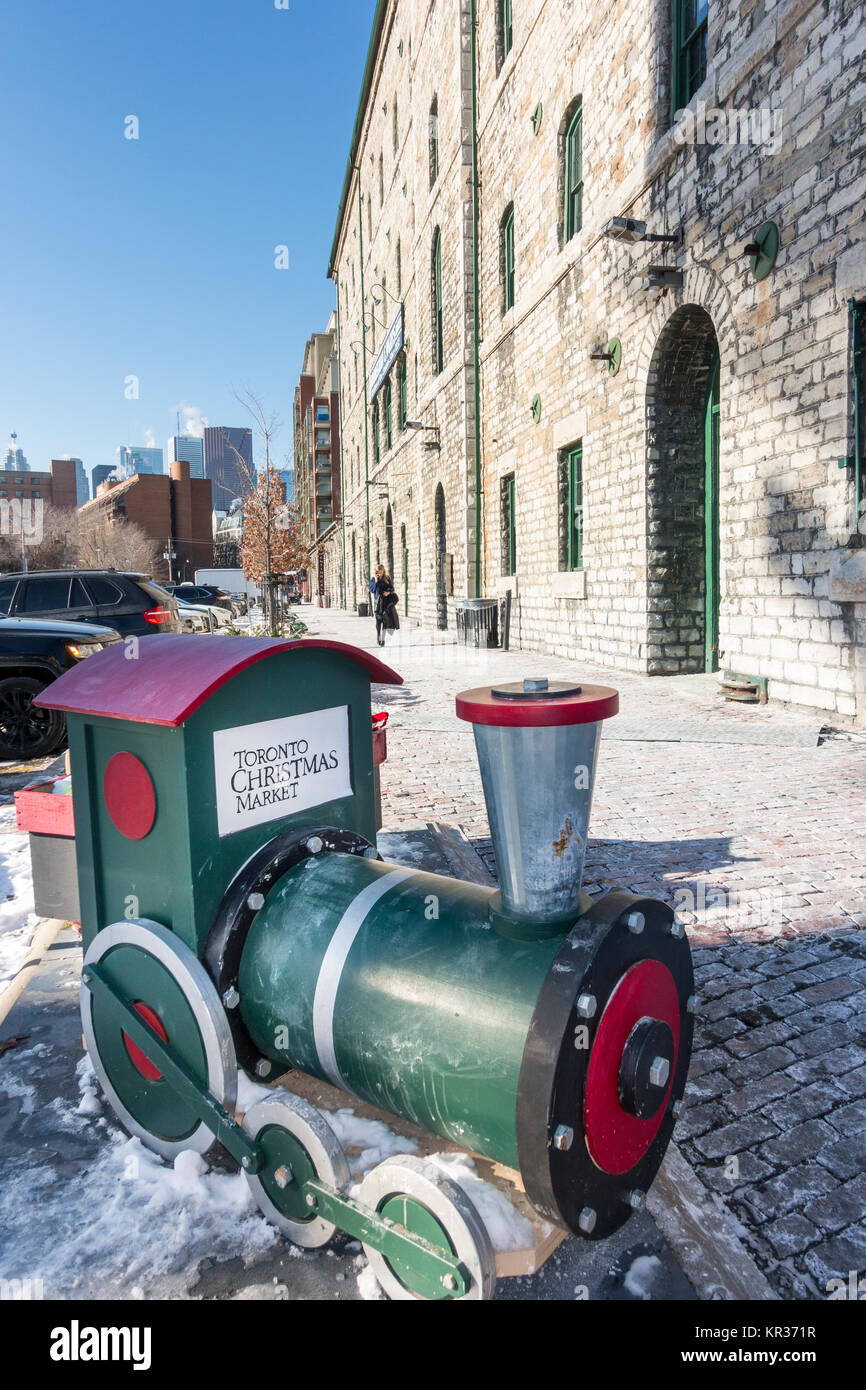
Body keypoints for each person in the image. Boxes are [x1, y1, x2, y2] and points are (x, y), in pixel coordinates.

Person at [375, 573, 400, 646]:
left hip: (386, 603)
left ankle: (382, 639)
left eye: (380, 571)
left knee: (385, 622)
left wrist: (388, 592)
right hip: (378, 602)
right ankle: (378, 636)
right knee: (378, 621)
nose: (379, 573)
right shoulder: (374, 580)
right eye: (378, 571)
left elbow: (392, 589)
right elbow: (374, 590)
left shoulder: (388, 578)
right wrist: (376, 581)